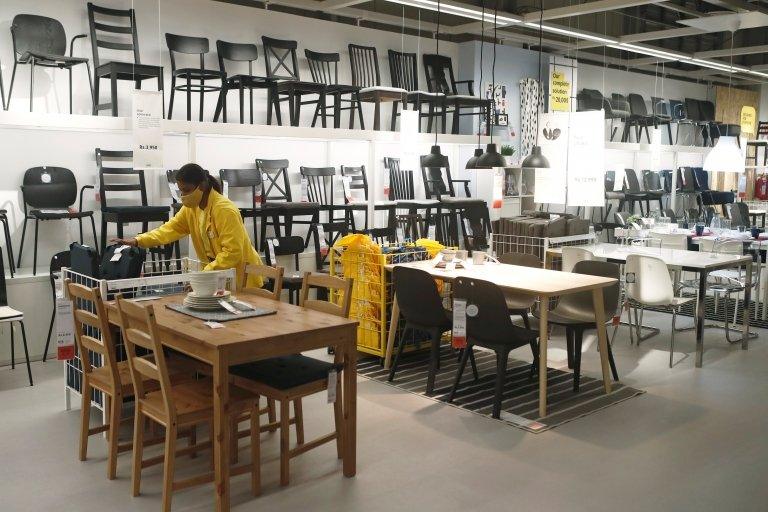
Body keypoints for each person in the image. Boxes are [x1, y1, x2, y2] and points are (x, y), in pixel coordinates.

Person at [113, 163, 263, 289]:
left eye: (187, 190)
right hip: (218, 277)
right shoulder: (191, 208)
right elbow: (170, 229)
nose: (183, 195)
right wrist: (138, 240)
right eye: (180, 190)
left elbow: (233, 252)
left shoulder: (224, 210)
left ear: (202, 186)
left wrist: (202, 277)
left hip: (243, 280)